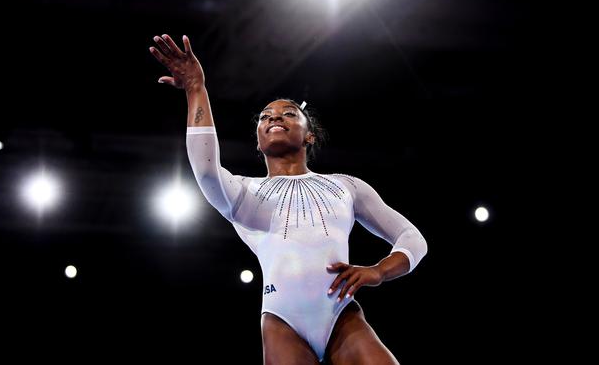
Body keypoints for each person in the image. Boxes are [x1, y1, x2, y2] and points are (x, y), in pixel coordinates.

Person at [149, 33, 428, 364]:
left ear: (309, 135)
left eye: (289, 113)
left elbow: (412, 239)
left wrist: (379, 271)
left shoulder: (346, 187)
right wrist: (196, 88)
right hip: (283, 324)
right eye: (265, 117)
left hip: (343, 318)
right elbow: (206, 170)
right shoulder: (243, 193)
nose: (274, 118)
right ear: (257, 141)